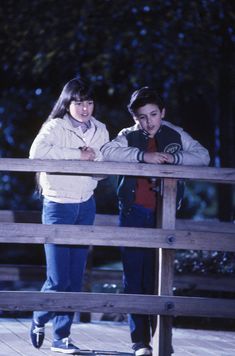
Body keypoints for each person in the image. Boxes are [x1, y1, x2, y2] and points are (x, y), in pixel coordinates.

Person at [101, 86, 210, 356]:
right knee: (133, 276)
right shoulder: (128, 135)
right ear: (134, 118)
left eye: (153, 114)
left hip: (164, 214)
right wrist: (143, 157)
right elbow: (107, 152)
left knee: (158, 276)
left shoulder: (175, 133)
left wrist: (175, 158)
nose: (148, 122)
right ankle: (140, 341)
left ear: (162, 112)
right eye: (141, 117)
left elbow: (204, 157)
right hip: (134, 212)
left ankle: (160, 338)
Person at [29, 77, 109, 354]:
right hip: (58, 204)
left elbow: (102, 168)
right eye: (78, 103)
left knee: (75, 278)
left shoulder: (101, 129)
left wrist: (96, 165)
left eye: (89, 102)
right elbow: (36, 154)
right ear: (67, 103)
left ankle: (61, 338)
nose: (85, 108)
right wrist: (77, 155)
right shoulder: (54, 126)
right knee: (57, 279)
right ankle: (39, 317)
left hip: (86, 204)